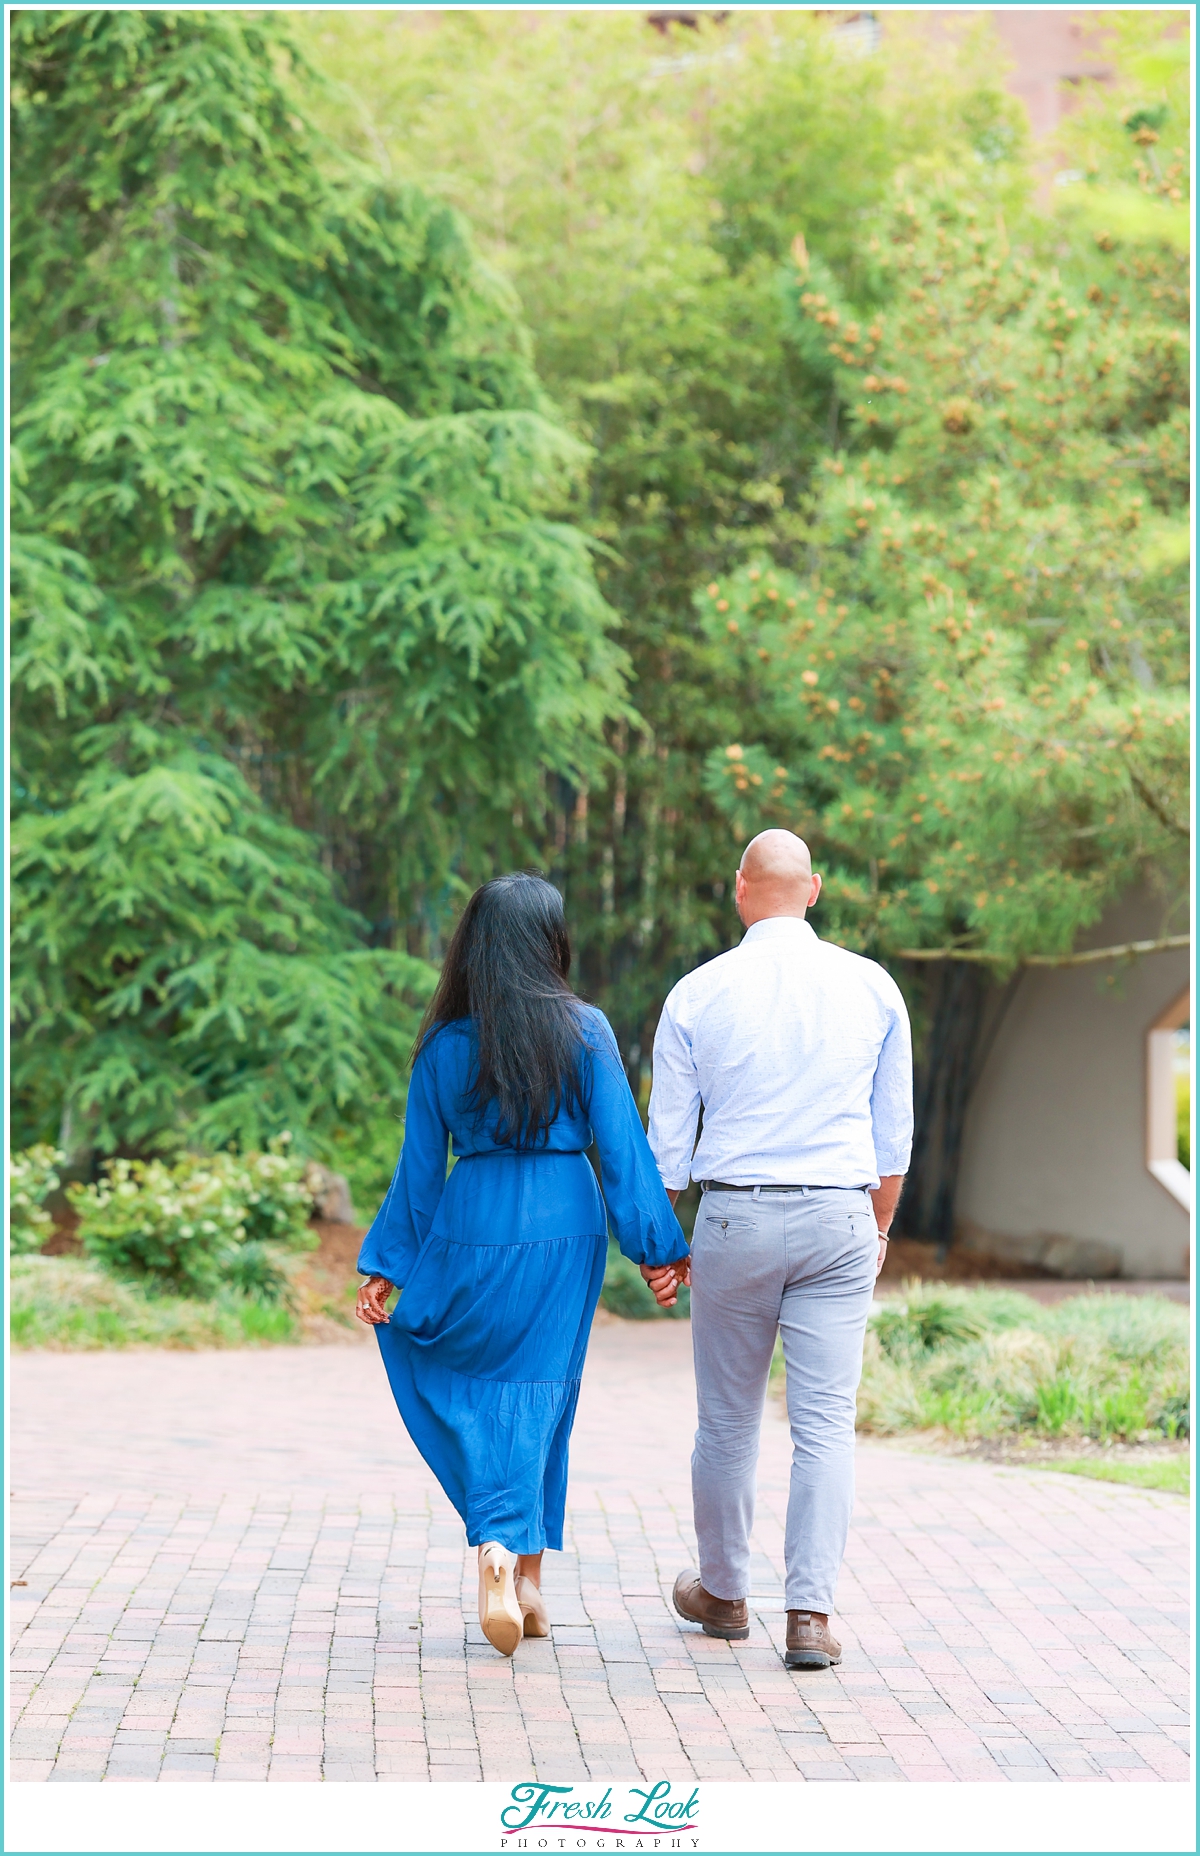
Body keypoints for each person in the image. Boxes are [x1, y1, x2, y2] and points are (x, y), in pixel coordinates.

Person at [355, 872, 687, 1657]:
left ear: (476, 945)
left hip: (473, 1213)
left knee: (477, 1378)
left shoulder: (443, 1045)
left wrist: (387, 1265)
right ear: (550, 942)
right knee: (544, 1392)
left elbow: (417, 1172)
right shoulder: (586, 1029)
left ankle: (514, 1569)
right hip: (563, 1221)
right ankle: (514, 1560)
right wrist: (658, 1247)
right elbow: (621, 1146)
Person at [643, 829, 912, 1671]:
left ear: (739, 890)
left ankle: (723, 1594)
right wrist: (877, 1231)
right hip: (839, 1214)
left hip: (736, 1218)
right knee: (826, 1423)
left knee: (727, 1419)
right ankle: (810, 1615)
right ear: (816, 889)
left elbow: (668, 1145)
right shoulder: (872, 986)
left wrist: (663, 1242)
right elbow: (891, 1138)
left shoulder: (697, 992)